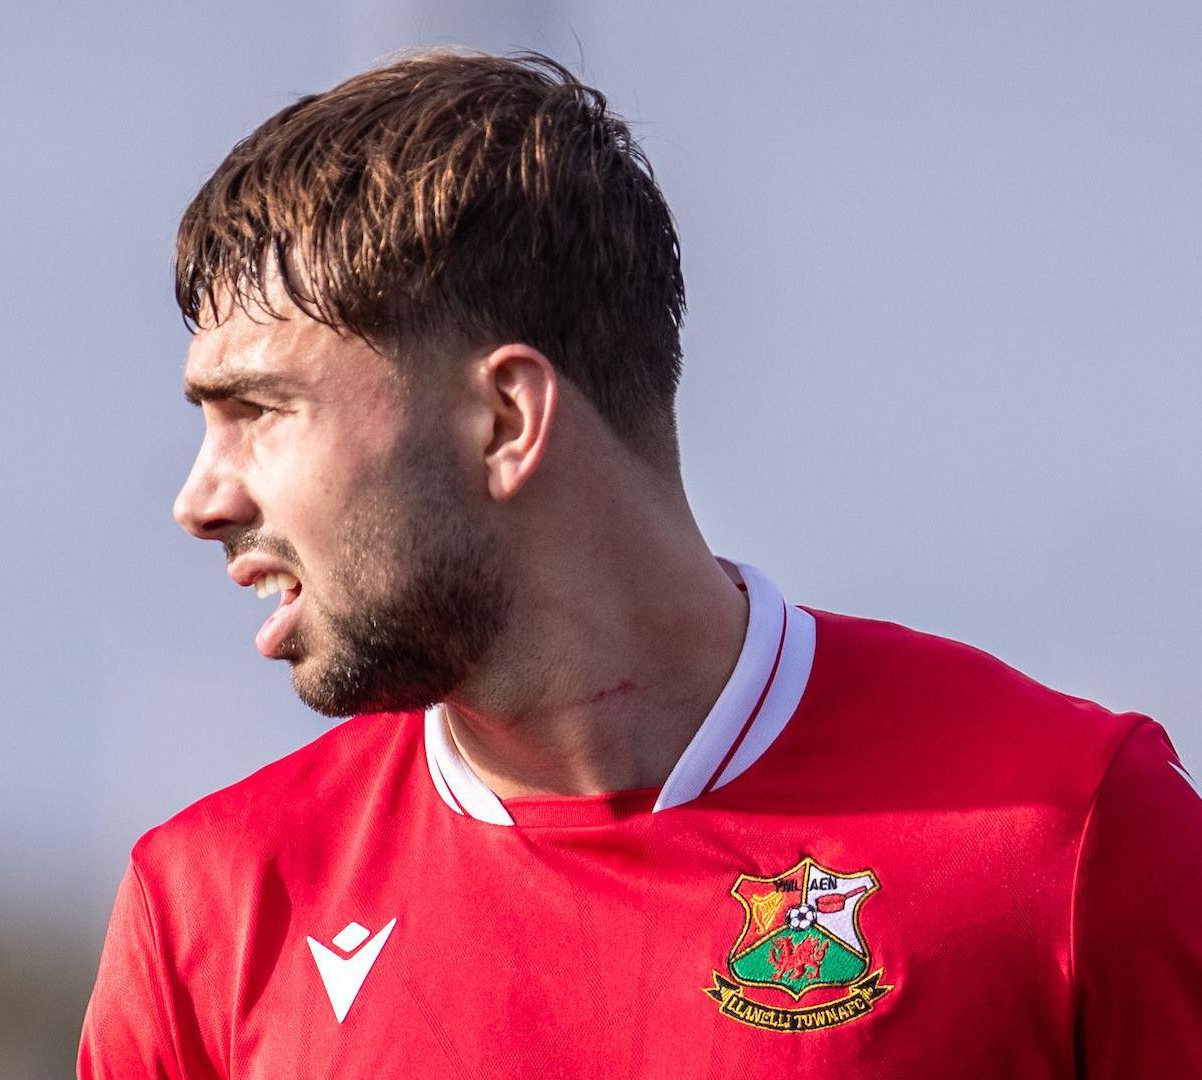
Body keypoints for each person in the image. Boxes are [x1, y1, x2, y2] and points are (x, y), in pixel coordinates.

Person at [78, 50, 1201, 1077]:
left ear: (506, 420)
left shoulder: (1070, 830)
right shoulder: (211, 910)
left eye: (260, 411)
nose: (199, 501)